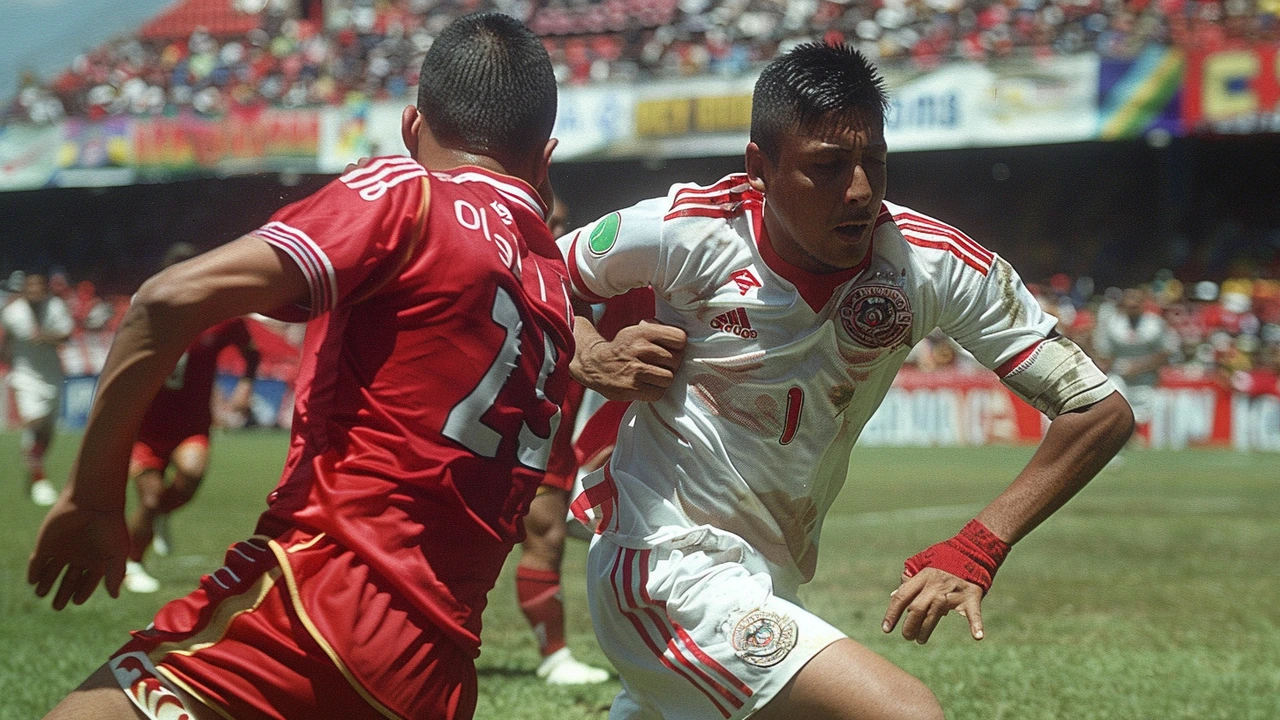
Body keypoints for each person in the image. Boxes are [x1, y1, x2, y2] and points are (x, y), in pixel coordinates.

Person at [562, 43, 1134, 720]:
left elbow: (1099, 411)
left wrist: (981, 544)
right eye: (827, 168)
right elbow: (529, 271)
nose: (859, 190)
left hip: (768, 582)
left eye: (875, 162)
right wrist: (589, 352)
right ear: (760, 169)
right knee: (907, 713)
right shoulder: (686, 232)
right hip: (661, 563)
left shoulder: (930, 265)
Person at [28, 13, 571, 720]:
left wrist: (94, 497)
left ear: (411, 130)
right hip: (436, 675)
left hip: (312, 611)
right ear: (545, 158)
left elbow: (165, 302)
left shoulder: (410, 193)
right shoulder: (557, 291)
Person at [512, 196, 620, 685]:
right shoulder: (499, 270)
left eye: (561, 220)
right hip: (511, 426)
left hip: (549, 430)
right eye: (545, 219)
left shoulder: (572, 277)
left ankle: (554, 657)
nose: (555, 228)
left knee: (547, 535)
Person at [121, 242, 262, 595]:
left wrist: (244, 386)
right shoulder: (148, 312)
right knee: (150, 500)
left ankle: (162, 516)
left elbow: (252, 353)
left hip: (191, 425)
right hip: (145, 428)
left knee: (190, 477)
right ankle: (133, 562)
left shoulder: (222, 316)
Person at [2, 271, 73, 506]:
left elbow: (67, 335)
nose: (34, 292)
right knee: (35, 422)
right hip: (24, 376)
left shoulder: (56, 308)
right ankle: (40, 479)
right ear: (24, 290)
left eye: (38, 287)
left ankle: (34, 464)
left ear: (45, 289)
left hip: (51, 376)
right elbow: (8, 340)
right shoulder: (13, 314)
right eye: (29, 288)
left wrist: (45, 337)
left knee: (46, 433)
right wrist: (7, 361)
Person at [1092, 286, 1178, 434]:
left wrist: (1139, 366)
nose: (1132, 304)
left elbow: (1166, 352)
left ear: (1143, 303)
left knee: (1141, 420)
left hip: (1146, 380)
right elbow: (1104, 353)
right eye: (1129, 300)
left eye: (1136, 301)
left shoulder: (1155, 324)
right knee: (1115, 411)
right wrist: (1113, 366)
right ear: (1123, 303)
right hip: (1119, 376)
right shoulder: (1112, 324)